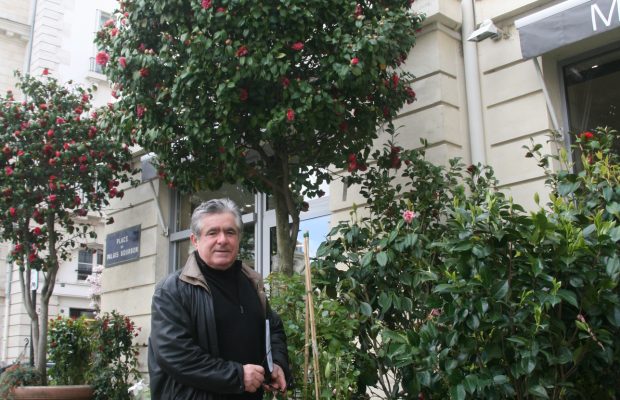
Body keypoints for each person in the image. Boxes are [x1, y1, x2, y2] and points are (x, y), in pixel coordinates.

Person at [148, 198, 291, 399]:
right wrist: (238, 376)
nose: (222, 240)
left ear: (239, 238)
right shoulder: (172, 290)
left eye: (230, 232)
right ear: (195, 240)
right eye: (212, 232)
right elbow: (176, 355)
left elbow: (272, 327)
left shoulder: (251, 282)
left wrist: (275, 363)